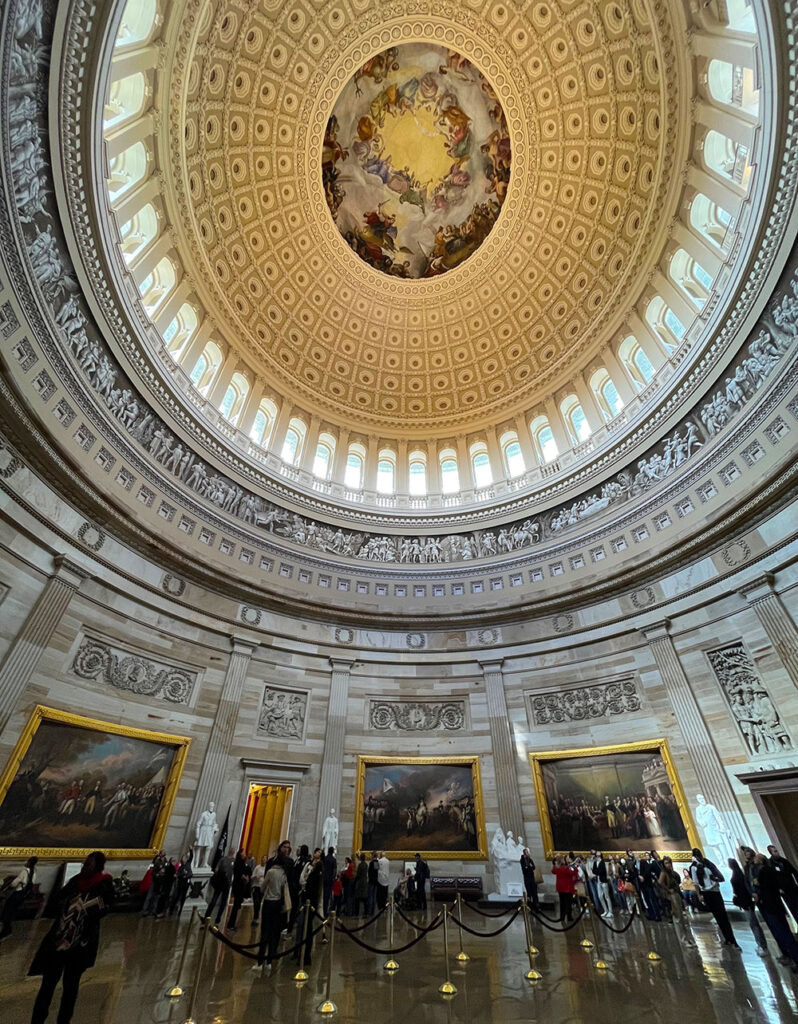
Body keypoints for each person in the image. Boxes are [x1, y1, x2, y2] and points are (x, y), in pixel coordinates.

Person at [29, 851, 114, 1024]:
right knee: (47, 984)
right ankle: (37, 1020)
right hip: (59, 940)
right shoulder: (76, 880)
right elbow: (57, 900)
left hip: (80, 943)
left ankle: (64, 1021)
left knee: (71, 987)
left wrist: (87, 909)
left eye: (89, 864)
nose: (85, 867)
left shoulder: (104, 884)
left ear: (97, 866)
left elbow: (106, 907)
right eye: (84, 863)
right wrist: (69, 904)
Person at [752, 853, 798, 971]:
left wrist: (757, 883)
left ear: (761, 861)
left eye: (757, 857)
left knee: (783, 933)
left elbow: (761, 886)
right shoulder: (771, 871)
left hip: (770, 906)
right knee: (785, 931)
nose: (755, 859)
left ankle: (796, 959)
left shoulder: (763, 872)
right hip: (776, 904)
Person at [690, 847, 739, 948]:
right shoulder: (694, 867)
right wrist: (699, 895)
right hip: (706, 892)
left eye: (699, 854)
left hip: (715, 891)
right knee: (717, 916)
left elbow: (718, 875)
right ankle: (726, 937)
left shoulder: (708, 863)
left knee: (723, 915)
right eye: (696, 855)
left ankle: (731, 938)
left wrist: (715, 878)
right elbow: (695, 882)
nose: (698, 857)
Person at [254, 847, 291, 973]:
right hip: (278, 904)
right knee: (274, 932)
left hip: (269, 903)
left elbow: (262, 888)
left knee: (265, 931)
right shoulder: (284, 874)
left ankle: (260, 962)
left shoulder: (270, 872)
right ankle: (269, 960)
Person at [728, 857, 768, 955]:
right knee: (754, 924)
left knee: (753, 924)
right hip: (746, 901)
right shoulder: (741, 874)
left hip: (746, 902)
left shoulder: (737, 876)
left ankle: (761, 945)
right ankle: (761, 944)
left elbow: (739, 890)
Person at [293, 849, 323, 968]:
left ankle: (305, 955)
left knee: (307, 927)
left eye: (319, 855)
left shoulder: (319, 869)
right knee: (301, 926)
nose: (317, 857)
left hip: (311, 902)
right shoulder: (308, 865)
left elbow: (314, 885)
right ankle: (298, 951)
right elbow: (302, 878)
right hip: (305, 898)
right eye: (317, 853)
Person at [658, 856, 696, 946]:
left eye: (669, 863)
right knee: (677, 918)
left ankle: (688, 938)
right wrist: (667, 890)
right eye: (666, 863)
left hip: (677, 894)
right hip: (672, 896)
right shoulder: (664, 873)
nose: (668, 865)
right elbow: (659, 882)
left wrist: (682, 898)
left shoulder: (672, 873)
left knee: (683, 918)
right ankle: (683, 940)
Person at [0, 855, 38, 940]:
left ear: (29, 862)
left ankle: (6, 930)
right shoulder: (34, 872)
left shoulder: (24, 871)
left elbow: (15, 883)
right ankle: (7, 929)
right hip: (23, 896)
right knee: (11, 912)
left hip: (17, 894)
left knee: (7, 911)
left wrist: (7, 886)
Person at [766, 844, 798, 924]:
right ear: (771, 853)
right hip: (784, 890)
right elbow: (772, 879)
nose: (777, 853)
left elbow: (794, 871)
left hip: (792, 887)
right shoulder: (770, 864)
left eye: (777, 851)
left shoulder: (784, 861)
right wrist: (778, 888)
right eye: (775, 851)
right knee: (793, 908)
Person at [205, 847, 234, 925]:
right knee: (214, 899)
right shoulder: (223, 859)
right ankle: (207, 916)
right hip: (220, 882)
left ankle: (218, 919)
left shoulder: (234, 861)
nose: (232, 851)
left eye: (233, 850)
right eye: (231, 850)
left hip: (227, 883)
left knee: (223, 902)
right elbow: (216, 868)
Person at [227, 850, 251, 929]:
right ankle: (231, 924)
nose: (245, 854)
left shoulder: (242, 862)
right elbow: (239, 872)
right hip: (238, 886)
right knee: (236, 906)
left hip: (240, 886)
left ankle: (232, 923)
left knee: (236, 906)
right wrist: (245, 877)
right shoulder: (238, 862)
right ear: (240, 854)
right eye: (243, 853)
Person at [552, 856, 577, 922]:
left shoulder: (556, 868)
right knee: (568, 903)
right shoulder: (565, 868)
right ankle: (569, 916)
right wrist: (576, 868)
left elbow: (553, 871)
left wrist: (555, 863)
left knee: (562, 903)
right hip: (567, 888)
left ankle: (562, 917)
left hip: (560, 888)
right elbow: (573, 873)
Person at [589, 850, 613, 917]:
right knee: (600, 896)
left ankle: (610, 911)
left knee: (607, 896)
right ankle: (605, 910)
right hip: (598, 881)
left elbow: (600, 871)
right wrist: (596, 871)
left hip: (603, 881)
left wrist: (596, 871)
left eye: (598, 855)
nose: (597, 856)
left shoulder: (602, 862)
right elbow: (593, 871)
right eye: (596, 855)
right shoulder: (595, 862)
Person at [251, 855, 267, 927]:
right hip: (256, 886)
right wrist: (256, 877)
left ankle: (256, 917)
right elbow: (252, 876)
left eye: (265, 859)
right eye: (263, 859)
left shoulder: (267, 868)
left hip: (262, 887)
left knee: (259, 902)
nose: (264, 860)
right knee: (256, 902)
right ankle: (255, 916)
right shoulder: (257, 867)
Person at [322, 847, 337, 915]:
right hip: (330, 879)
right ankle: (326, 910)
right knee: (328, 896)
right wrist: (333, 878)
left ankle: (322, 909)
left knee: (323, 894)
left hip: (324, 878)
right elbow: (334, 870)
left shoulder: (325, 858)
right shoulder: (333, 859)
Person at [367, 852, 379, 916]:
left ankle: (370, 911)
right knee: (374, 897)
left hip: (371, 881)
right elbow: (376, 872)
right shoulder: (377, 862)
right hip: (375, 881)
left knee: (370, 897)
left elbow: (370, 872)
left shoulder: (372, 863)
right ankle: (373, 911)